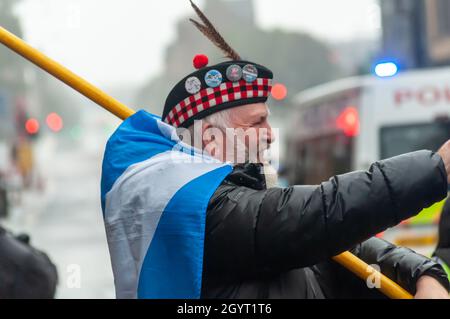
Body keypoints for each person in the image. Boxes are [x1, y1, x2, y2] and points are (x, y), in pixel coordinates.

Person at [100, 1, 449, 298]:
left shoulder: (251, 203)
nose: (270, 136)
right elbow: (317, 214)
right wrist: (436, 169)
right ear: (209, 139)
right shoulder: (204, 213)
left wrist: (420, 271)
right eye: (256, 123)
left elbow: (346, 248)